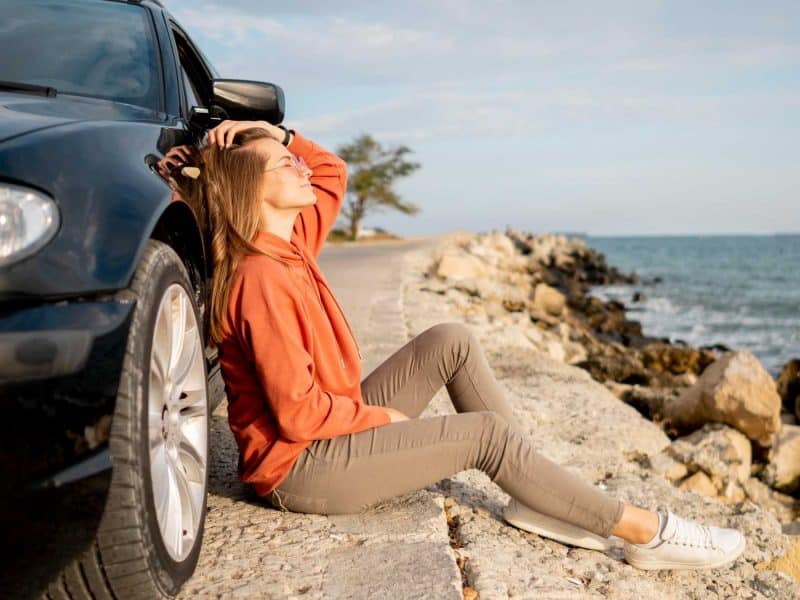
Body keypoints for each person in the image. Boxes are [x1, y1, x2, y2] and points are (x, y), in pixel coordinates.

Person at [164, 119, 746, 572]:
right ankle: (642, 531)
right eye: (282, 165)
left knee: (451, 340)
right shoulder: (261, 277)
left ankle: (532, 496)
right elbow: (297, 415)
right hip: (302, 468)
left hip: (326, 431)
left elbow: (332, 170)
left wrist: (271, 135)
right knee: (483, 435)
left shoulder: (294, 243)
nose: (299, 167)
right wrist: (378, 417)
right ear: (253, 190)